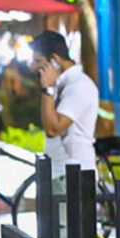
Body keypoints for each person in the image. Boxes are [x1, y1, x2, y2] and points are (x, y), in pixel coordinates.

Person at [31, 31, 98, 181]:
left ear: (54, 60)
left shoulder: (79, 85)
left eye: (38, 61)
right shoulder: (62, 84)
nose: (33, 66)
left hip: (73, 176)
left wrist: (47, 89)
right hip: (59, 173)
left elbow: (53, 128)